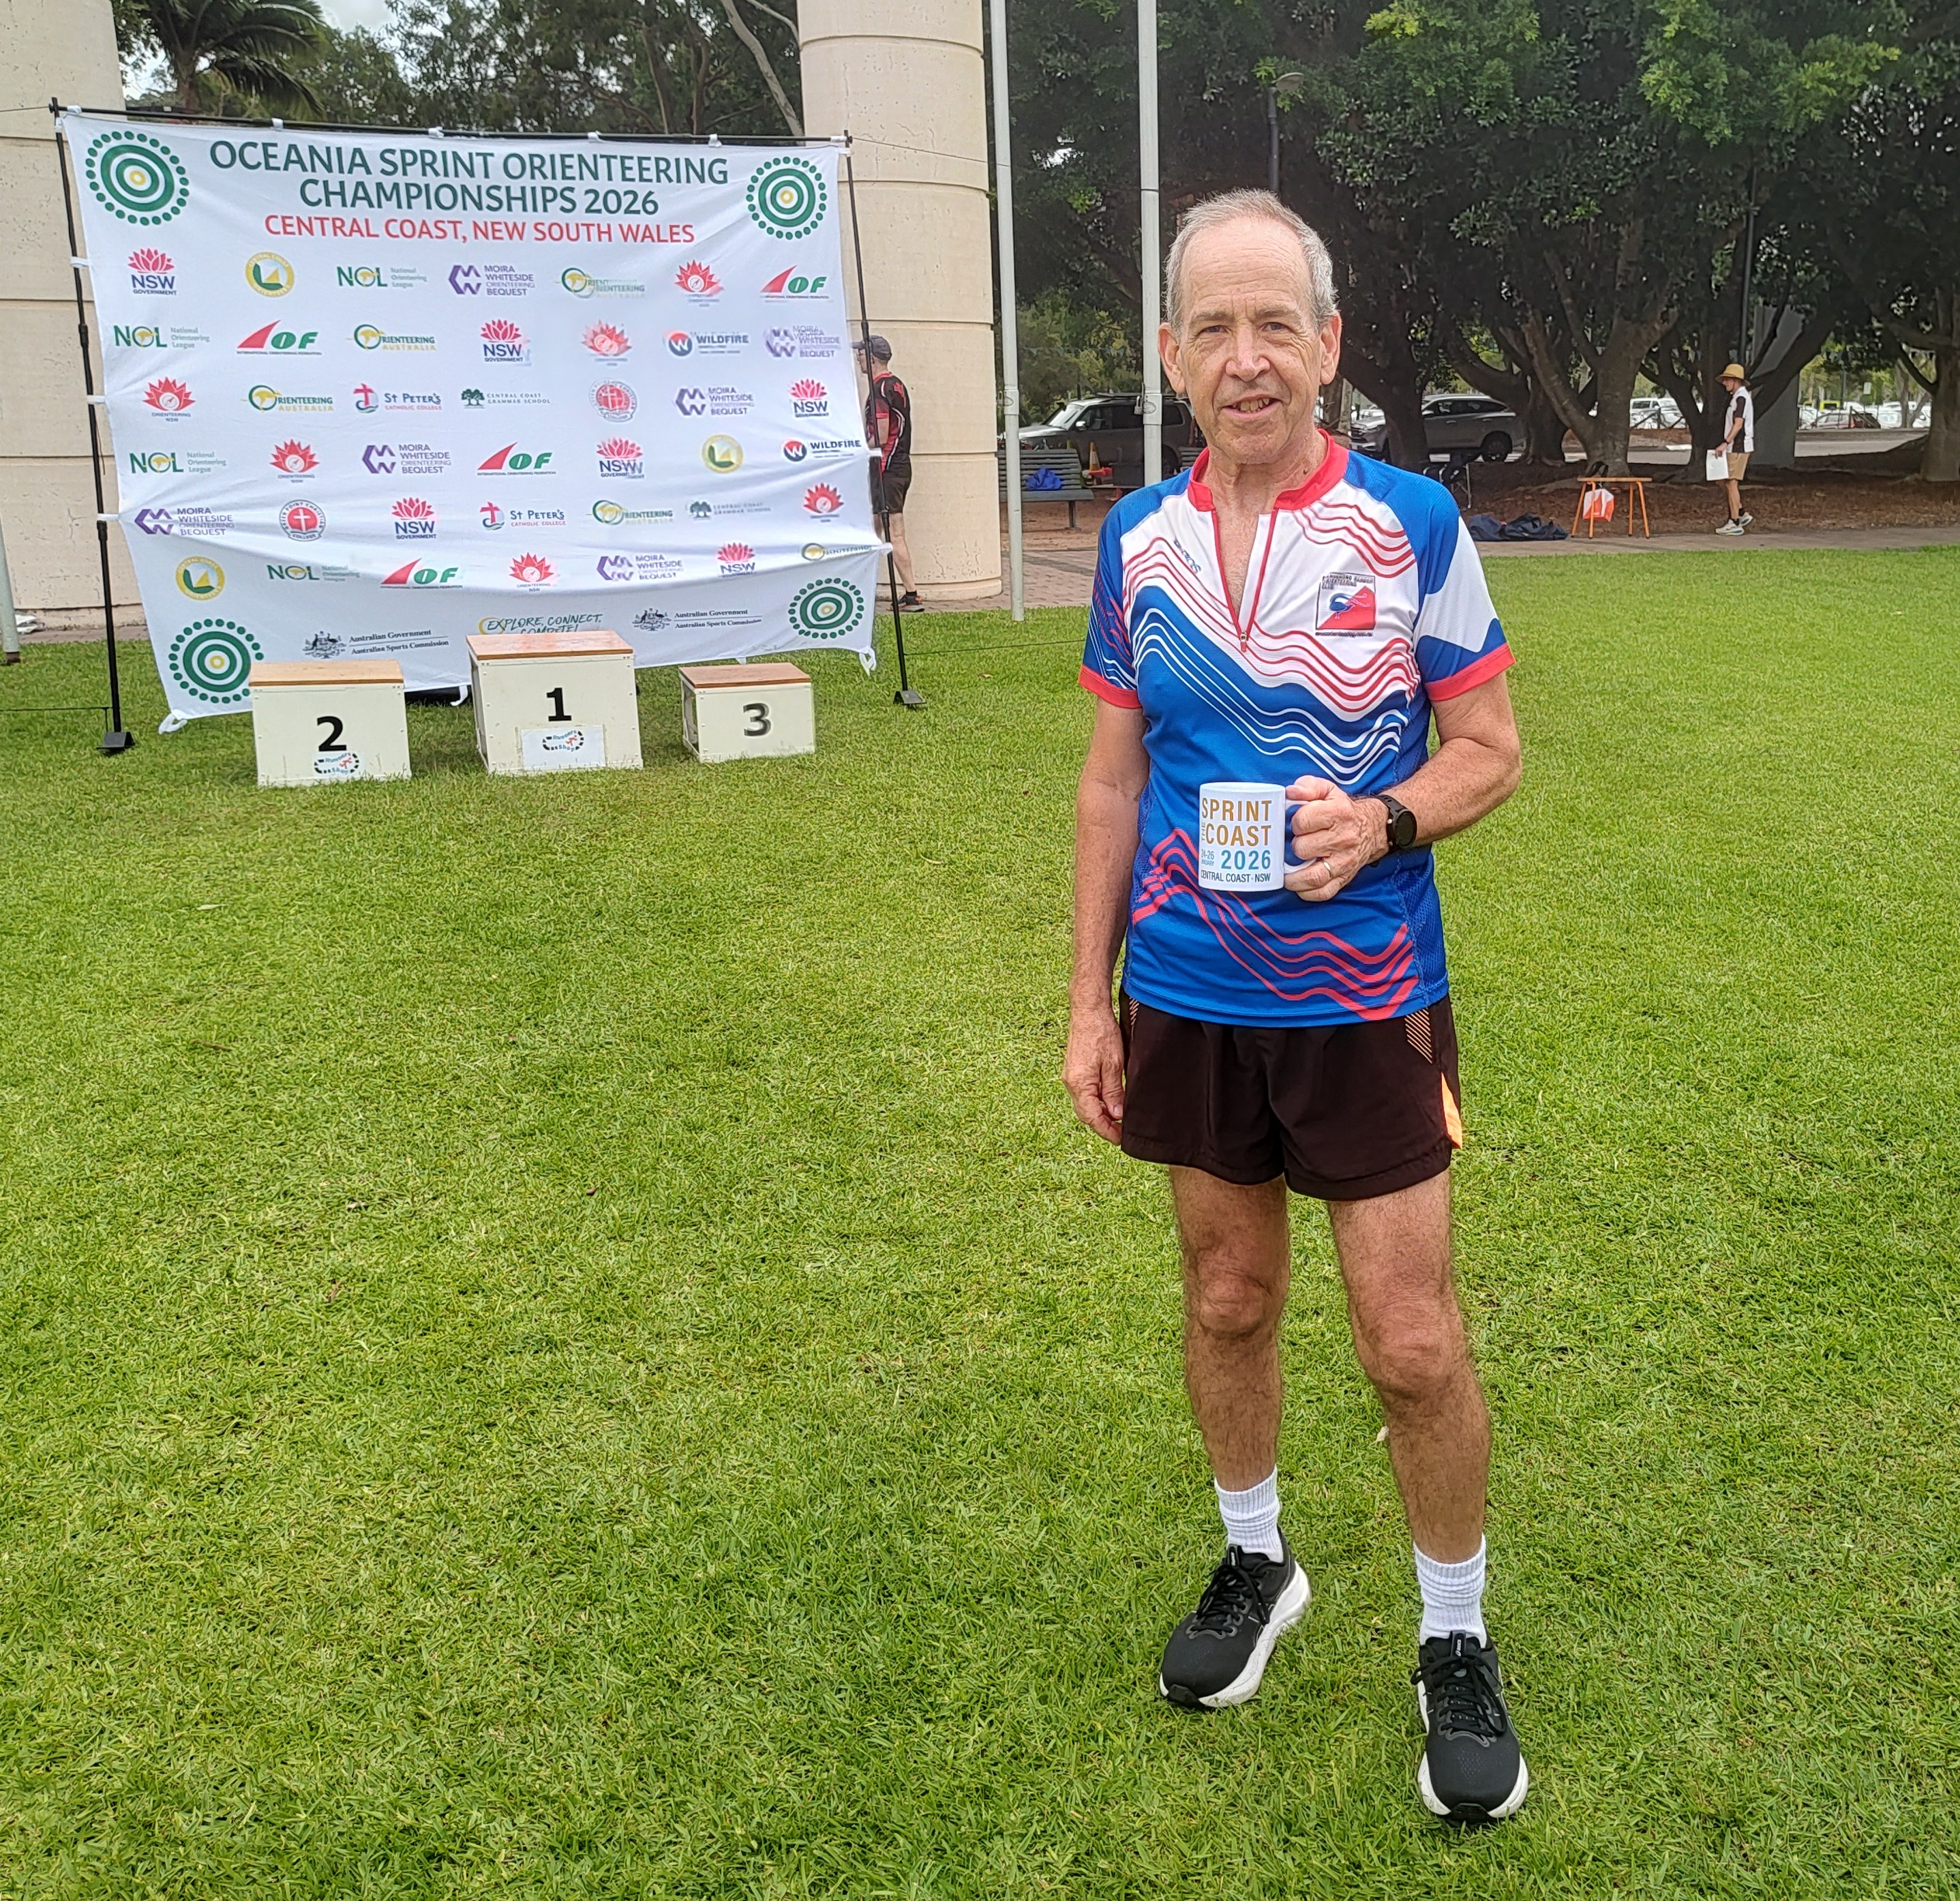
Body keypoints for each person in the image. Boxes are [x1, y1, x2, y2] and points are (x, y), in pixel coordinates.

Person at [1065, 189, 1528, 1826]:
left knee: (1409, 1341)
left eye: (1276, 324)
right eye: (1214, 326)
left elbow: (1488, 750)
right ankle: (1256, 1558)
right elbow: (1111, 780)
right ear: (1172, 356)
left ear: (1326, 347)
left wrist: (1383, 819)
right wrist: (1087, 1005)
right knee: (1225, 1300)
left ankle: (1454, 1634)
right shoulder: (1136, 540)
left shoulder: (1411, 522)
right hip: (1188, 993)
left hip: (1365, 996)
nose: (1245, 357)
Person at [855, 333, 922, 610]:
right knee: (878, 529)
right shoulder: (897, 385)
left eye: (861, 354)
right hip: (900, 466)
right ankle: (871, 589)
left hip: (887, 468)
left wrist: (857, 447)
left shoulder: (879, 389)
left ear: (872, 359)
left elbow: (881, 436)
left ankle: (910, 593)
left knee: (892, 533)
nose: (857, 359)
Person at [1715, 363, 1754, 535]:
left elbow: (1738, 424)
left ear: (1736, 381)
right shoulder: (1739, 397)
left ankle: (1735, 522)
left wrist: (1726, 442)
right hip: (1736, 446)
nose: (1725, 383)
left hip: (1738, 446)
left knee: (1731, 483)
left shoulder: (1741, 398)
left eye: (1727, 380)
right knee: (1724, 481)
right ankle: (1740, 513)